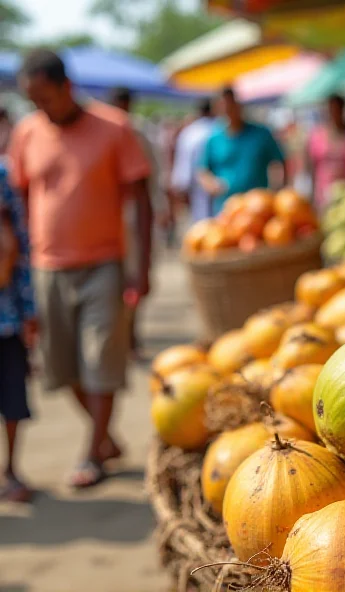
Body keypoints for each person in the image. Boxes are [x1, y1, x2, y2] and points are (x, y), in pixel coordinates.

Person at [7, 49, 153, 488]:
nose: (40, 108)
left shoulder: (114, 128)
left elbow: (141, 201)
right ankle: (105, 437)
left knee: (100, 359)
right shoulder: (27, 132)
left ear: (67, 88)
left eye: (45, 98)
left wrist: (141, 268)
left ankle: (92, 453)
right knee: (62, 367)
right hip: (47, 267)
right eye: (32, 101)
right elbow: (17, 202)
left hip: (103, 264)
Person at [108, 87, 162, 359]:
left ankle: (131, 335)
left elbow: (149, 179)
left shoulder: (137, 133)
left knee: (132, 277)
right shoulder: (104, 132)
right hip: (106, 220)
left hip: (131, 217)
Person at [0, 160, 36, 502]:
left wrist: (29, 310)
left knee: (12, 397)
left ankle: (10, 469)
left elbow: (19, 248)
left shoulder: (2, 174)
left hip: (6, 318)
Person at [198, 87, 286, 214]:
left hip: (258, 208)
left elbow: (278, 163)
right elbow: (203, 170)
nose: (229, 110)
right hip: (226, 209)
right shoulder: (214, 139)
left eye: (231, 104)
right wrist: (212, 185)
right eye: (224, 106)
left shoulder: (261, 134)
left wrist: (277, 191)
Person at [171, 98, 216, 221]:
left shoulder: (190, 132)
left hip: (199, 189)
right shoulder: (220, 128)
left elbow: (183, 168)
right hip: (216, 186)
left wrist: (181, 189)